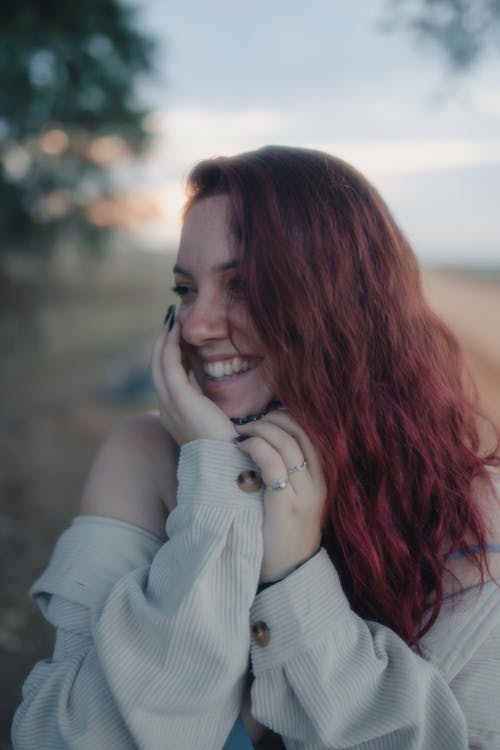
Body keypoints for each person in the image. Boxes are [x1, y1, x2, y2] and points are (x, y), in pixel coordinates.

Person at [12, 146, 500, 750]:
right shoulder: (144, 455)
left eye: (242, 285)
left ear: (346, 300)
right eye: (185, 290)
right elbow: (66, 737)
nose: (194, 326)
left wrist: (292, 574)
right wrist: (220, 489)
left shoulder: (469, 503)